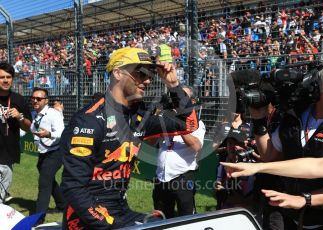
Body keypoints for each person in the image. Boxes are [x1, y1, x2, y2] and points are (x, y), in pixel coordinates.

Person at [60, 47, 198, 229]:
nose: (147, 80)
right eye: (141, 74)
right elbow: (73, 187)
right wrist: (109, 224)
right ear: (118, 73)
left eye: (150, 74)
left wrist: (173, 85)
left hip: (120, 210)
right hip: (85, 217)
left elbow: (188, 124)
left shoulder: (140, 115)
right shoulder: (89, 120)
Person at [232, 64, 323, 229]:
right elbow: (269, 155)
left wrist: (305, 199)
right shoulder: (295, 116)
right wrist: (259, 121)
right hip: (291, 215)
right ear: (317, 89)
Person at [152, 86, 206, 218]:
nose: (177, 101)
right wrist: (156, 114)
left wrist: (180, 126)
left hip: (182, 177)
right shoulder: (165, 120)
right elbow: (149, 142)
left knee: (187, 219)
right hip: (161, 177)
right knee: (161, 218)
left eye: (183, 97)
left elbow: (196, 146)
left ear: (192, 101)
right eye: (175, 97)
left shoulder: (197, 124)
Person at [30, 88, 65, 214]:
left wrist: (48, 134)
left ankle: (38, 217)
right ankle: (62, 205)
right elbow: (26, 130)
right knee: (49, 180)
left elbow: (61, 132)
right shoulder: (34, 114)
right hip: (43, 152)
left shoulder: (53, 114)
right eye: (33, 98)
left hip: (55, 152)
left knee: (44, 183)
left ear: (46, 100)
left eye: (39, 98)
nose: (35, 101)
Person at [0, 62, 31, 203]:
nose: (5, 80)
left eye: (8, 77)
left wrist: (20, 117)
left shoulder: (18, 99)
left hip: (8, 152)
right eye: (2, 77)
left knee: (3, 191)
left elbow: (27, 127)